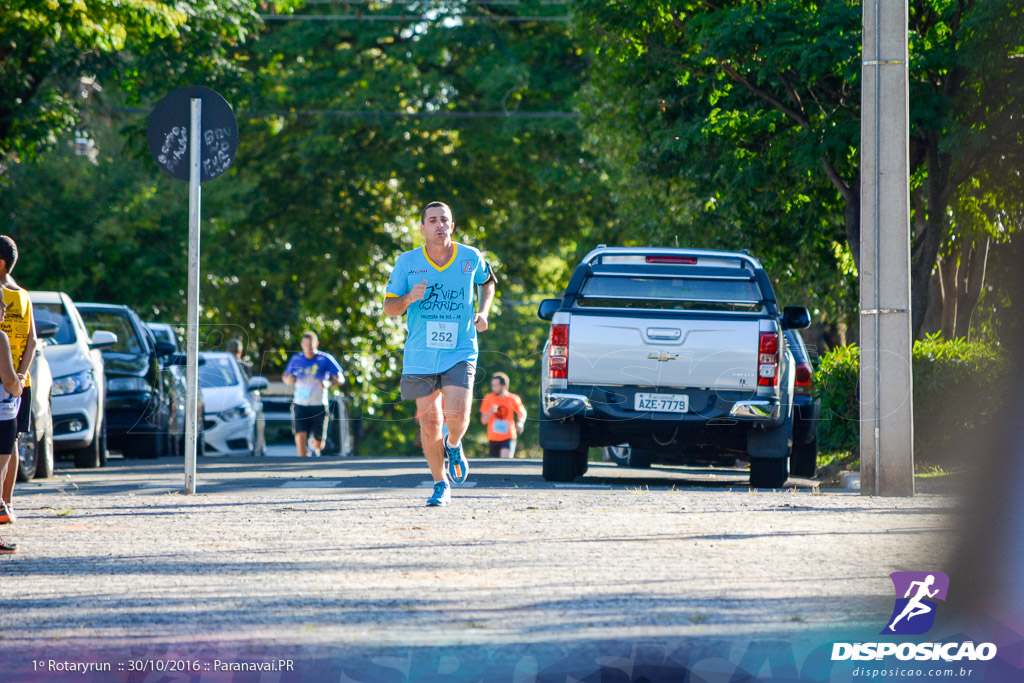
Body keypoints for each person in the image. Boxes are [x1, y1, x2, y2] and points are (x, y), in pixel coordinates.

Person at [383, 201, 496, 506]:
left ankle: (455, 443)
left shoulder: (470, 257)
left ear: (452, 226)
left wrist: (484, 311)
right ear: (422, 228)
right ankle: (439, 483)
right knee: (430, 423)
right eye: (432, 220)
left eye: (444, 220)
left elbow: (489, 283)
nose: (439, 225)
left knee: (457, 416)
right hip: (421, 353)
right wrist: (408, 297)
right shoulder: (407, 262)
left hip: (460, 348)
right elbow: (388, 308)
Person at [0, 236, 34, 528]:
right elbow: (33, 341)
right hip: (21, 383)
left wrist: (10, 376)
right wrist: (21, 375)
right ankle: (6, 504)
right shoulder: (23, 295)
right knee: (11, 444)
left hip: (3, 379)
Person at [282, 332, 344, 457]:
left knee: (319, 445)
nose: (308, 348)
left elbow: (341, 378)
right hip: (300, 404)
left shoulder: (325, 359)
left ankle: (314, 444)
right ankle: (302, 462)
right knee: (300, 436)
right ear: (301, 345)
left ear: (316, 344)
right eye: (305, 345)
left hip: (319, 405)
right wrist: (288, 380)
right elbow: (285, 376)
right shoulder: (296, 359)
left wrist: (329, 382)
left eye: (311, 344)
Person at [0, 297, 26, 552]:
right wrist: (18, 386)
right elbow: (8, 379)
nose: (5, 309)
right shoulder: (0, 337)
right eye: (1, 304)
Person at [479, 372, 527, 459]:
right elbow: (483, 421)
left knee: (504, 461)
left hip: (508, 436)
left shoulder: (513, 399)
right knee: (494, 466)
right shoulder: (488, 398)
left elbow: (522, 413)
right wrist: (490, 412)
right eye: (492, 385)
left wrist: (520, 422)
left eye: (496, 386)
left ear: (503, 386)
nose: (493, 388)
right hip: (493, 438)